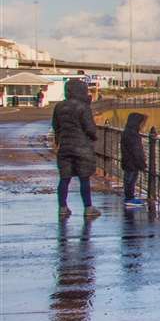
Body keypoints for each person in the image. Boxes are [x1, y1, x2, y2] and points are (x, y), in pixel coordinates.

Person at [51, 78, 101, 219]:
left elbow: (56, 126)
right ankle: (88, 207)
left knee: (64, 178)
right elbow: (90, 129)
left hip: (65, 146)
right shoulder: (83, 107)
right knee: (84, 179)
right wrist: (93, 137)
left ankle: (62, 207)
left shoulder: (59, 106)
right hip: (81, 147)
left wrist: (59, 139)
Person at [120, 112, 149, 208]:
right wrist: (142, 164)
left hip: (127, 161)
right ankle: (130, 198)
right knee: (131, 180)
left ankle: (129, 196)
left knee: (128, 179)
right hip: (133, 163)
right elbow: (137, 152)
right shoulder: (134, 136)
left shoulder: (126, 132)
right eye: (142, 124)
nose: (143, 126)